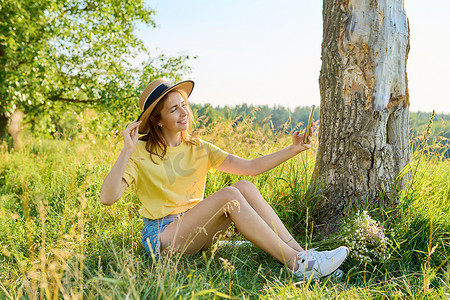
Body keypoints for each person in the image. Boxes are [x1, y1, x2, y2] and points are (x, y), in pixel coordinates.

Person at [100, 79, 349, 281]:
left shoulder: (198, 147)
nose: (183, 112)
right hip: (163, 237)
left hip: (196, 229)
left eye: (184, 104)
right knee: (230, 196)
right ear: (157, 119)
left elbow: (251, 167)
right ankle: (297, 264)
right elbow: (107, 198)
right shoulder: (140, 152)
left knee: (244, 187)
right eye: (173, 109)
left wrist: (292, 149)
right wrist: (127, 150)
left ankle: (303, 255)